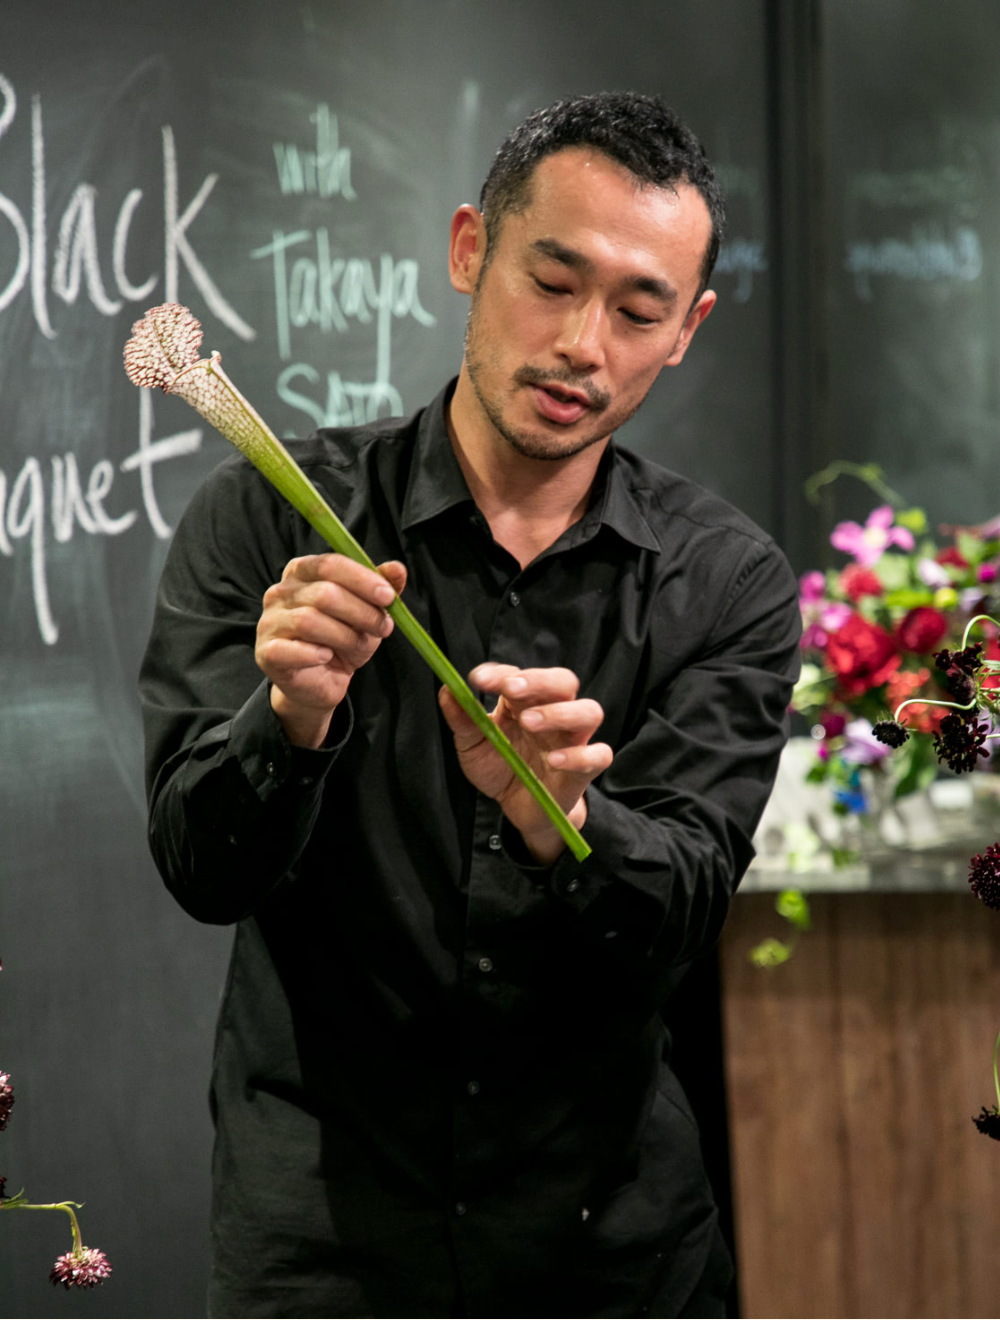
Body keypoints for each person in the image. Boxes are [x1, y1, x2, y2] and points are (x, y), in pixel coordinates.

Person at [140, 91, 800, 1318]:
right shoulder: (271, 522)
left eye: (637, 310)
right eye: (551, 281)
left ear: (687, 329)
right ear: (468, 251)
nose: (582, 345)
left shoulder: (726, 583)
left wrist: (566, 822)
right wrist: (287, 724)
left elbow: (684, 908)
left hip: (611, 1253)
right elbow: (198, 865)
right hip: (328, 1245)